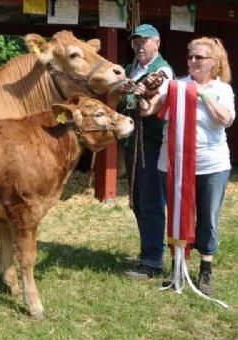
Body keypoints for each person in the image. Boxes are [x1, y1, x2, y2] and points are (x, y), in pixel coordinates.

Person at [142, 37, 235, 294]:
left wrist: (203, 95)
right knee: (176, 215)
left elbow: (225, 119)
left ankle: (206, 269)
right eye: (190, 56)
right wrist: (142, 99)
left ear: (213, 62)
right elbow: (151, 109)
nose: (193, 61)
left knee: (207, 217)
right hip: (173, 163)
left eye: (199, 57)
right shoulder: (175, 86)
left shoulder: (222, 89)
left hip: (211, 165)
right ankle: (177, 263)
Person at [116, 24, 174, 280]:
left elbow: (156, 98)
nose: (139, 46)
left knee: (150, 200)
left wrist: (144, 94)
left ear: (157, 43)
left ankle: (152, 262)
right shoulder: (129, 70)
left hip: (151, 144)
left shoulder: (161, 70)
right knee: (138, 200)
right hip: (132, 144)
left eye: (144, 41)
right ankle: (149, 251)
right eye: (135, 42)